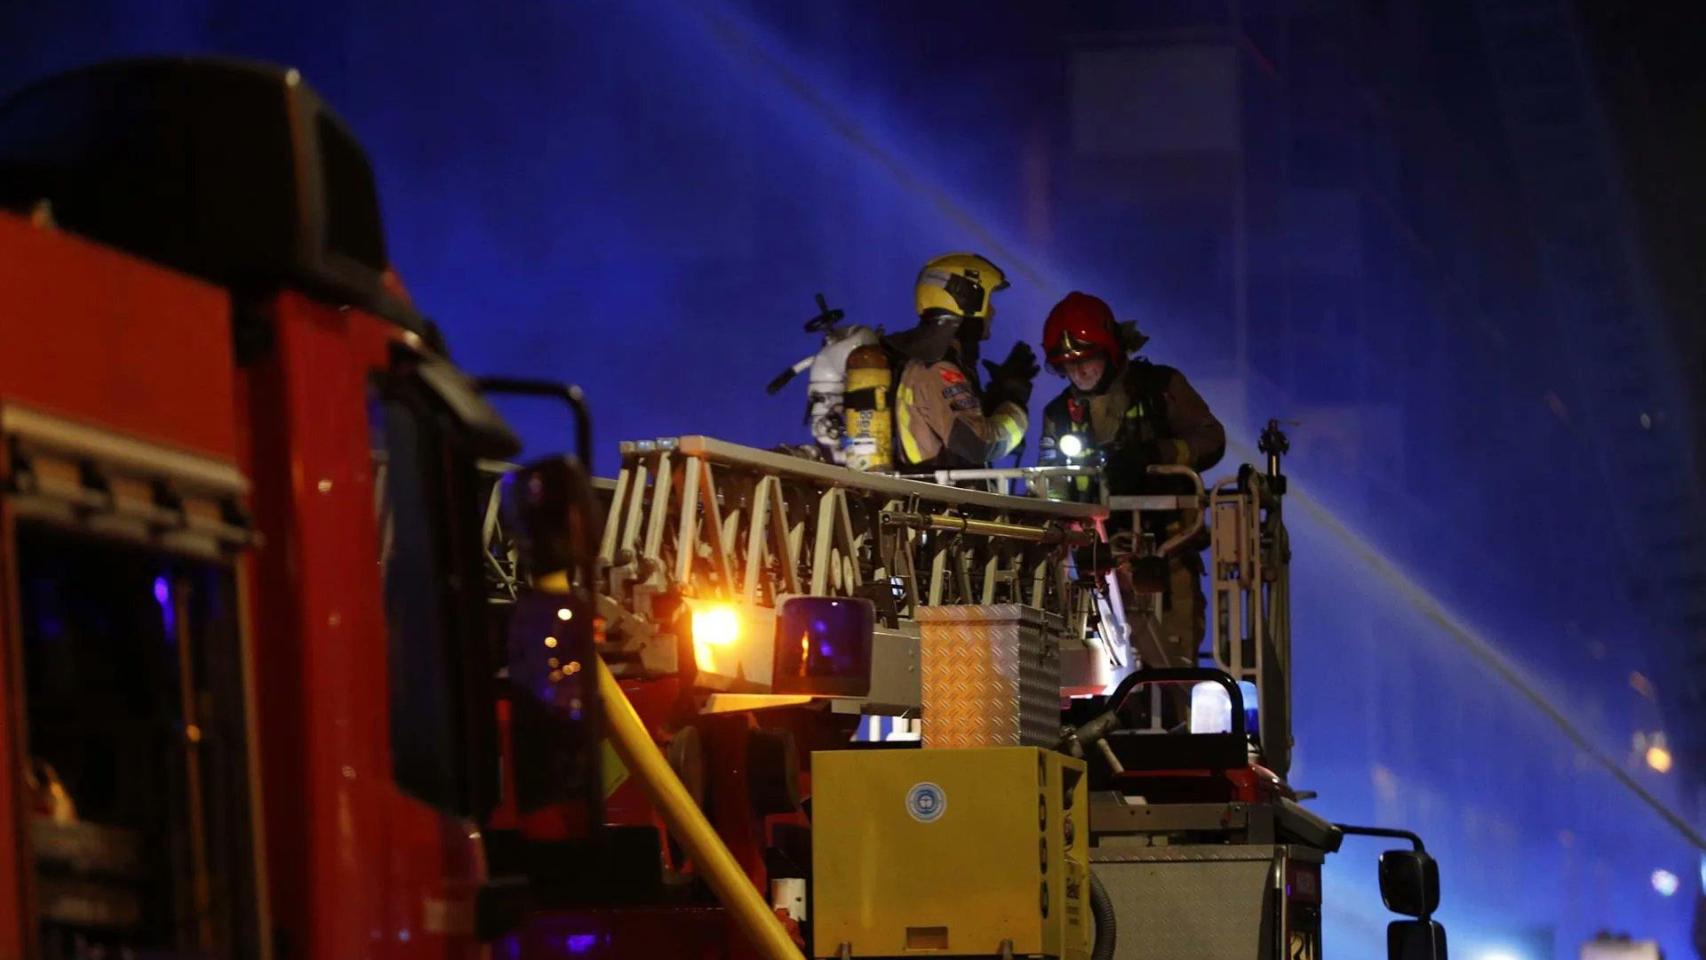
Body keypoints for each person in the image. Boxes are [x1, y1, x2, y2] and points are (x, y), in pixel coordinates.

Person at [1037, 291, 1224, 674]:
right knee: (1095, 667)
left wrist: (1155, 454)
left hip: (1166, 554)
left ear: (1110, 350)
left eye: (1087, 360)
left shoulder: (1160, 388)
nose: (1080, 372)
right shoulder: (1059, 414)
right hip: (1090, 564)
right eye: (1069, 365)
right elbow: (1049, 483)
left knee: (1172, 664)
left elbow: (1211, 439)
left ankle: (1179, 727)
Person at [886, 253, 1039, 469]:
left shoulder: (937, 362)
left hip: (940, 499)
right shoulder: (938, 368)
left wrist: (996, 397)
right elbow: (978, 444)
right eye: (988, 301)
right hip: (941, 500)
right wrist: (1013, 402)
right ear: (967, 301)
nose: (992, 311)